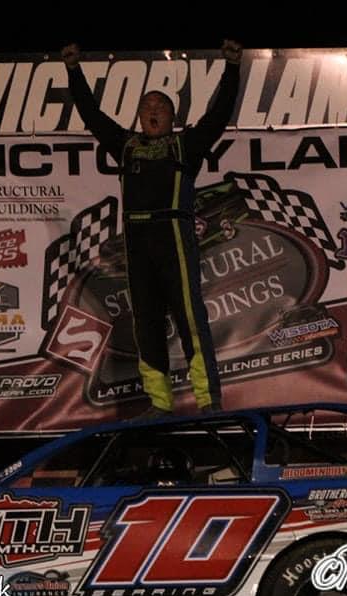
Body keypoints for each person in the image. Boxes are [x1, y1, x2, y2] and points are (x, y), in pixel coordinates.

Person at [62, 39, 242, 419]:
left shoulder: (185, 144)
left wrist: (231, 67)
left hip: (173, 235)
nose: (153, 110)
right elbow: (92, 115)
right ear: (139, 118)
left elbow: (219, 114)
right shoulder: (125, 146)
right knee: (145, 323)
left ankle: (208, 399)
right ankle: (159, 402)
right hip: (137, 240)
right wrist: (74, 71)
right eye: (147, 107)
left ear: (172, 118)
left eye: (161, 106)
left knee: (190, 318)